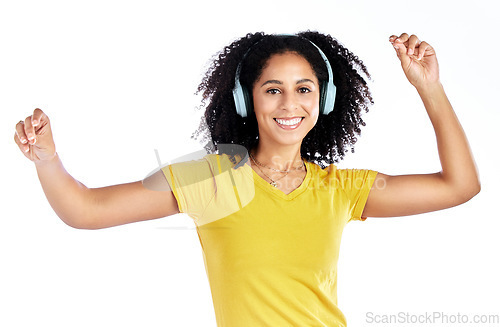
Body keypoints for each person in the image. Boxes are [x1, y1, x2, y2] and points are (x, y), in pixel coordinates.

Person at [14, 31, 480, 326]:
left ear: (324, 98)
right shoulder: (213, 179)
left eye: (304, 89)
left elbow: (460, 186)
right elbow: (85, 210)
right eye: (272, 90)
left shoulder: (340, 188)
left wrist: (430, 89)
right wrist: (47, 159)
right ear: (246, 101)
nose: (289, 104)